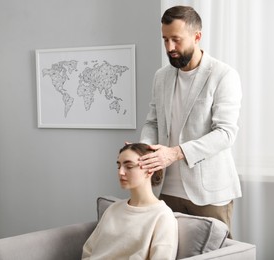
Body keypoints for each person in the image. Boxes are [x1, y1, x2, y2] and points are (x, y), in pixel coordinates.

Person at [138, 5, 242, 234]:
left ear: (197, 36)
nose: (170, 47)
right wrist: (144, 149)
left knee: (218, 255)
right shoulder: (161, 76)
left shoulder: (224, 75)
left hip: (209, 195)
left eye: (176, 39)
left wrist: (174, 153)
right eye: (165, 40)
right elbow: (153, 122)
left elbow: (225, 134)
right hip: (165, 191)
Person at [82, 143, 178, 260]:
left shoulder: (162, 216)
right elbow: (88, 251)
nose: (121, 172)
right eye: (119, 166)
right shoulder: (113, 209)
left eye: (129, 166)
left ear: (150, 170)